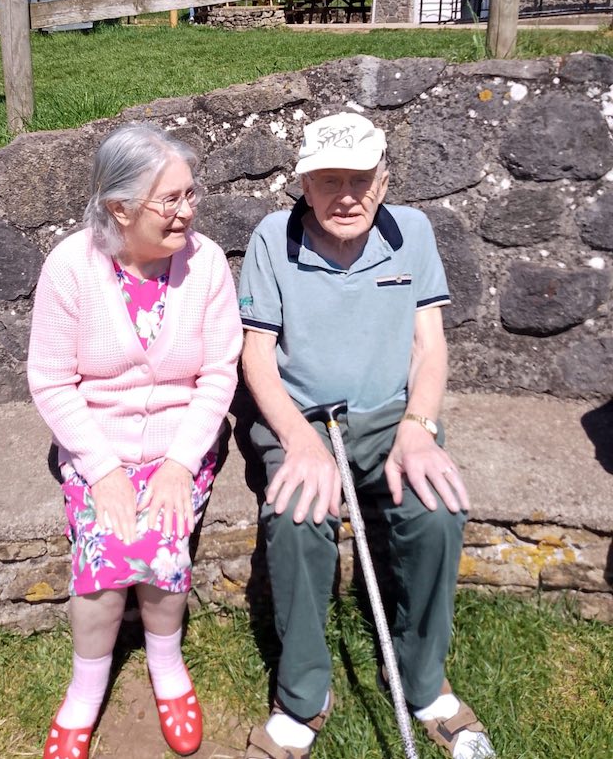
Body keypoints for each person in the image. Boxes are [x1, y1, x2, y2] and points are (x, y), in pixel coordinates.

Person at [238, 112, 496, 759]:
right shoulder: (273, 238)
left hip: (389, 417)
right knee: (295, 515)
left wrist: (419, 425)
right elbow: (257, 355)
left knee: (438, 511)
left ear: (384, 177)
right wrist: (298, 439)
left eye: (361, 178)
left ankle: (420, 676)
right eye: (329, 179)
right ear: (303, 181)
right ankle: (304, 694)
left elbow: (429, 345)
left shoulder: (412, 232)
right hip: (303, 420)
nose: (346, 195)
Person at [28, 123, 242, 759]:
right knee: (103, 558)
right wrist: (103, 471)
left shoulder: (204, 263)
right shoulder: (71, 266)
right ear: (119, 208)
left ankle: (167, 665)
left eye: (189, 194)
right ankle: (86, 687)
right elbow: (51, 381)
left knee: (161, 536)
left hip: (183, 441)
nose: (187, 211)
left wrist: (180, 463)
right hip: (100, 445)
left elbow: (218, 373)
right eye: (169, 200)